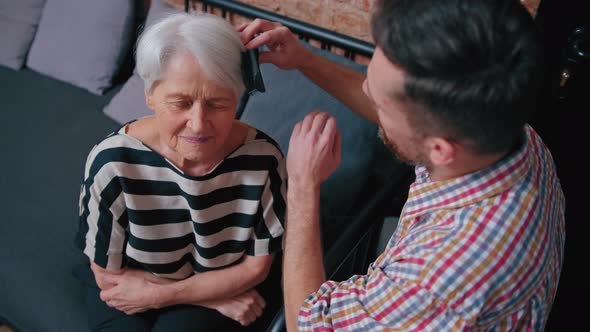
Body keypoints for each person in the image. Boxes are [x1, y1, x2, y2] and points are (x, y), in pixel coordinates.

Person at [239, 0, 565, 330]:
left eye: (381, 105)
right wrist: (304, 59)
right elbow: (405, 114)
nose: (364, 87)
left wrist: (302, 185)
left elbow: (303, 326)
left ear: (440, 149)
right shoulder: (509, 136)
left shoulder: (435, 282)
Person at [73, 13, 286, 331]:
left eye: (217, 104)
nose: (199, 125)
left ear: (237, 98)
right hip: (135, 275)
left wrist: (163, 296)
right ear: (150, 96)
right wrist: (210, 297)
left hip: (222, 276)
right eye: (180, 103)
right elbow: (107, 276)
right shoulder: (112, 163)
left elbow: (256, 270)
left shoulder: (263, 160)